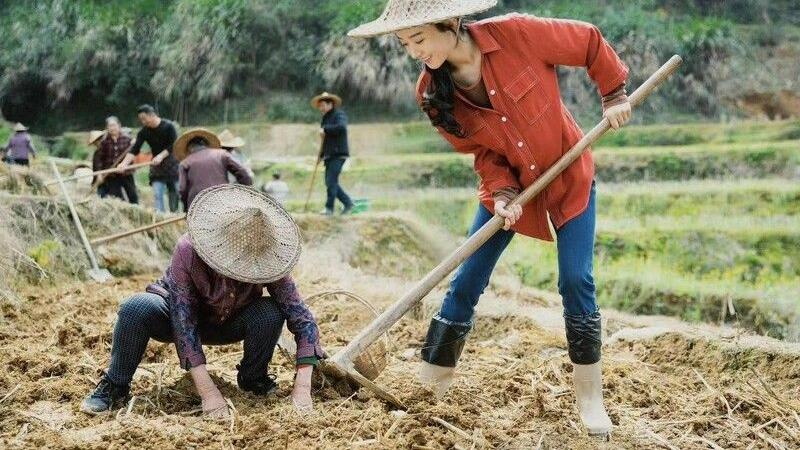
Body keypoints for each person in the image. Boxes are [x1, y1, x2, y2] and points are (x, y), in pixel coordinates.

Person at [349, 0, 632, 439]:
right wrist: (502, 193)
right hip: (510, 190)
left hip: (568, 176)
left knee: (576, 282)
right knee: (466, 281)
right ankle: (430, 386)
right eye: (405, 43)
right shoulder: (430, 92)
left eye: (419, 39)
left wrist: (613, 95)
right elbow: (482, 151)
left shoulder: (518, 34)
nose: (413, 52)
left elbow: (589, 41)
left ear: (451, 24)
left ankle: (590, 399)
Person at [80, 184, 323, 417]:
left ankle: (253, 378)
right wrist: (208, 392)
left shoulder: (268, 259)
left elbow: (300, 316)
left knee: (270, 311)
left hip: (231, 322)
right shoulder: (189, 249)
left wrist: (302, 387)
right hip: (178, 318)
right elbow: (182, 319)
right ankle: (116, 385)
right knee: (136, 308)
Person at [118, 105, 180, 213]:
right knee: (157, 194)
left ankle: (174, 218)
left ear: (152, 115)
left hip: (172, 164)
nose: (143, 122)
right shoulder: (144, 132)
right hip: (156, 165)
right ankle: (160, 218)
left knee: (173, 193)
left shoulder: (169, 126)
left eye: (144, 118)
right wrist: (124, 164)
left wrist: (161, 156)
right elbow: (135, 149)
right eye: (141, 119)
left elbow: (173, 145)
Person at [174, 128, 253, 210]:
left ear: (189, 149)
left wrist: (187, 208)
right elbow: (243, 173)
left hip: (198, 207)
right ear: (207, 144)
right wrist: (245, 192)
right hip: (222, 201)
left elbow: (182, 189)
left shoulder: (185, 163)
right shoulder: (222, 154)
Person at [312, 92, 354, 216]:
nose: (321, 108)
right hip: (329, 155)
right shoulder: (325, 119)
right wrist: (320, 156)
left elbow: (341, 127)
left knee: (331, 181)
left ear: (330, 104)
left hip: (338, 154)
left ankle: (329, 208)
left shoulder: (339, 115)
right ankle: (348, 203)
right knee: (330, 182)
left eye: (323, 105)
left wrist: (326, 129)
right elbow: (325, 140)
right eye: (319, 106)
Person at [93, 117, 138, 204]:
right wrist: (99, 174)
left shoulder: (128, 139)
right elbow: (99, 160)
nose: (112, 128)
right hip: (112, 175)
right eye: (110, 126)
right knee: (116, 199)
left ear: (119, 126)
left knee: (133, 196)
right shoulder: (104, 142)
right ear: (107, 128)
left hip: (126, 173)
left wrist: (136, 144)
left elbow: (133, 153)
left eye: (114, 125)